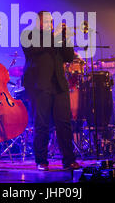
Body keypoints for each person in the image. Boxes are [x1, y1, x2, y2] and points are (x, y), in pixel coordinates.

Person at [21, 11, 80, 171]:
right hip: (39, 85)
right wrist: (55, 36)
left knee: (64, 123)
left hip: (59, 84)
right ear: (38, 22)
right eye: (47, 21)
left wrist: (66, 38)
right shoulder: (28, 35)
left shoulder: (56, 38)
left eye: (52, 21)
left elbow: (68, 56)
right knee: (42, 124)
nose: (51, 24)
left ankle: (69, 160)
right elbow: (37, 49)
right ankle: (41, 160)